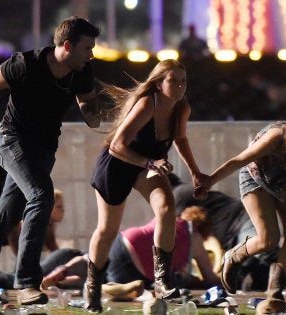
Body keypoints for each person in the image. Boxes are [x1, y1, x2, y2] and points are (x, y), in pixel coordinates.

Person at [0, 16, 101, 314]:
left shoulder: (81, 71)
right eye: (87, 48)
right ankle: (27, 282)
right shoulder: (24, 65)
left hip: (43, 151)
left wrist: (93, 113)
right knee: (42, 195)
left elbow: (88, 103)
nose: (91, 54)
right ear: (67, 45)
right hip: (12, 141)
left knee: (4, 219)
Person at [84, 59, 209, 312]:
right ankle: (92, 286)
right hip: (117, 164)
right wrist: (150, 162)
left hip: (146, 166)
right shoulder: (146, 104)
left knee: (166, 208)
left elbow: (181, 138)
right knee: (108, 229)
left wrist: (196, 172)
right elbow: (118, 145)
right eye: (173, 81)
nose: (179, 86)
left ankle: (162, 280)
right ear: (159, 82)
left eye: (183, 81)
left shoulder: (181, 108)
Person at [198, 105, 286, 314]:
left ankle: (275, 292)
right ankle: (233, 256)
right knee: (268, 239)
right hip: (256, 178)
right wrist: (209, 181)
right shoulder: (277, 138)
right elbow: (239, 160)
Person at [40, 206, 221, 292]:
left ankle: (63, 272)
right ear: (204, 228)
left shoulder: (170, 219)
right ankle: (64, 283)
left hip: (125, 241)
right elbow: (209, 278)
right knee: (104, 282)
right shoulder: (195, 236)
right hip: (137, 269)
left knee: (93, 263)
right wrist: (225, 278)